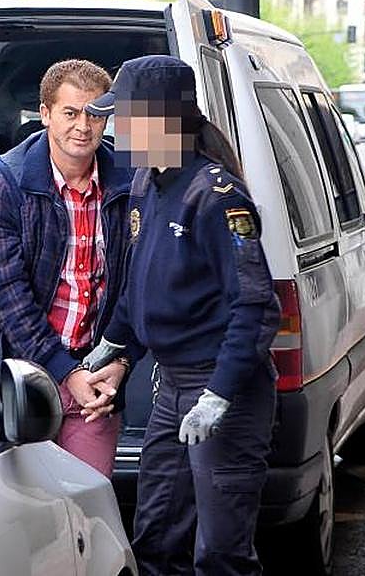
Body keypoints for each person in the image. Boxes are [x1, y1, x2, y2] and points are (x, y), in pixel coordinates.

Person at [80, 55, 280, 575]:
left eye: (120, 117)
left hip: (222, 390)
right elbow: (140, 284)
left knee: (220, 552)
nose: (112, 130)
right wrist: (113, 342)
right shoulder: (147, 182)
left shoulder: (216, 197)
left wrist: (219, 394)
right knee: (157, 535)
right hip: (171, 388)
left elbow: (257, 307)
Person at [0, 59, 133, 477]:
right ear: (44, 115)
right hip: (19, 376)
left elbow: (141, 282)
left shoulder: (131, 184)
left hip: (95, 380)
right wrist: (64, 370)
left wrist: (123, 359)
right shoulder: (3, 185)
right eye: (70, 112)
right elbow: (5, 295)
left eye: (94, 114)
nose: (83, 126)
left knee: (87, 507)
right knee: (22, 515)